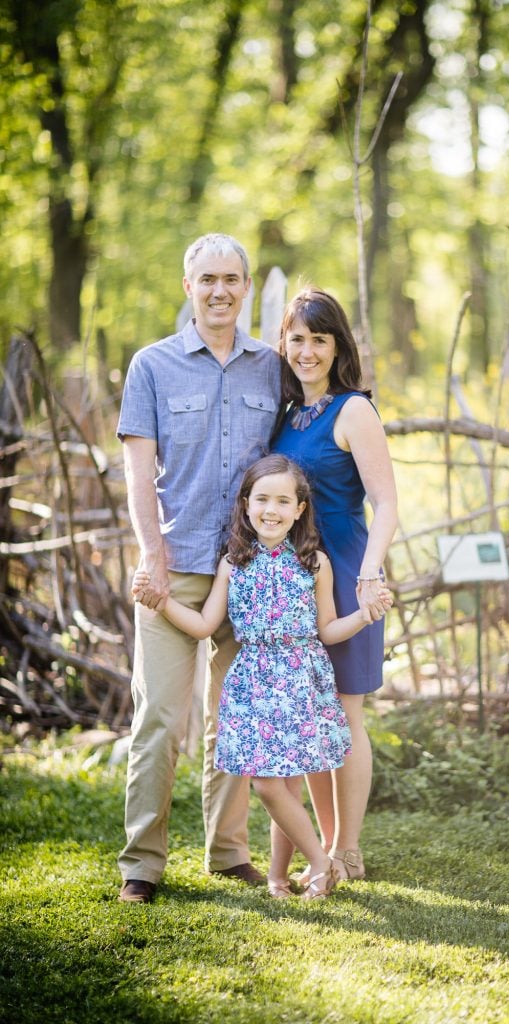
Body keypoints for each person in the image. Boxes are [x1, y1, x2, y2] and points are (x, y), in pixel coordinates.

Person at [132, 455, 392, 899]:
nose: (271, 510)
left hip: (300, 682)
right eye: (262, 499)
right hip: (253, 684)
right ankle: (319, 862)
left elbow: (327, 629)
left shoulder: (316, 565)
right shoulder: (233, 564)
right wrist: (161, 602)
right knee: (268, 784)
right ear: (246, 504)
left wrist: (364, 616)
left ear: (299, 509)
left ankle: (278, 875)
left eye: (283, 501)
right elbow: (204, 626)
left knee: (287, 784)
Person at [116, 232, 281, 903]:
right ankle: (142, 865)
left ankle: (228, 850)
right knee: (158, 715)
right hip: (175, 567)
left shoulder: (270, 368)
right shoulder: (151, 367)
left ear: (244, 288)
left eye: (231, 279)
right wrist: (151, 557)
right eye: (207, 279)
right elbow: (136, 472)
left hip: (246, 568)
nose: (219, 291)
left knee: (232, 716)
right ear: (188, 287)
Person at [270, 287, 398, 883]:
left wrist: (371, 572)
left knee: (345, 713)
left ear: (337, 344)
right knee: (311, 714)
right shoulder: (287, 413)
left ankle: (348, 851)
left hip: (345, 570)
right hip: (296, 578)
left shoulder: (354, 410)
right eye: (297, 338)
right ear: (284, 344)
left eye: (319, 339)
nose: (307, 351)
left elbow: (387, 504)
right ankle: (327, 849)